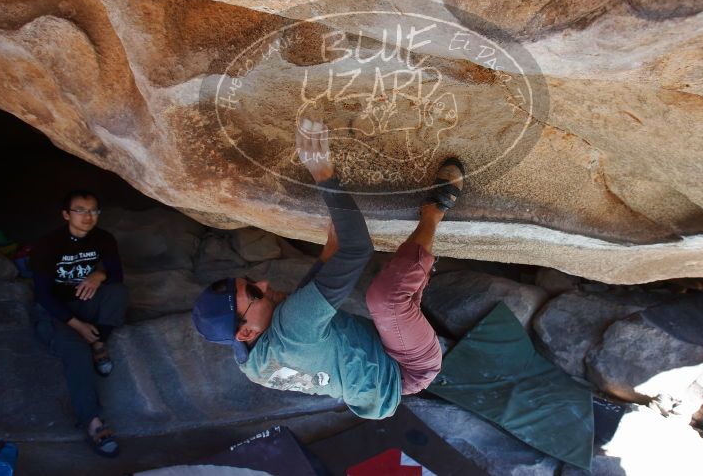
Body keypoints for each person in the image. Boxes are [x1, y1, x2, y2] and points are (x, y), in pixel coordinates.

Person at [193, 118, 464, 419]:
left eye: (252, 281)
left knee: (389, 302)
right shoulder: (290, 328)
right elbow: (358, 249)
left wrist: (326, 258)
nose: (266, 284)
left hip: (377, 374)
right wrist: (323, 173)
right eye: (255, 292)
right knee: (385, 300)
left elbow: (299, 323)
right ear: (245, 332)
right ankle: (433, 213)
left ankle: (413, 281)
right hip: (410, 366)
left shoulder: (252, 366)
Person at [30, 190, 128, 457]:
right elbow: (43, 295)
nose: (88, 216)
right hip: (53, 311)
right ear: (66, 214)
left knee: (117, 292)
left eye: (93, 210)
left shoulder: (103, 238)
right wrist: (78, 326)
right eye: (80, 210)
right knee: (75, 351)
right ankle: (92, 422)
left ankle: (98, 342)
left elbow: (116, 276)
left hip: (84, 301)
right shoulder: (48, 245)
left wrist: (99, 274)